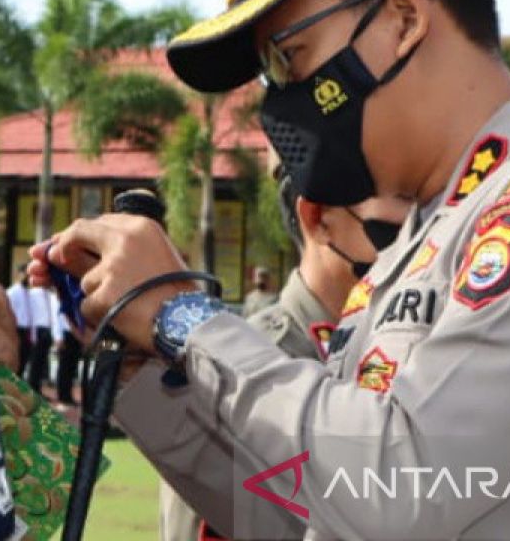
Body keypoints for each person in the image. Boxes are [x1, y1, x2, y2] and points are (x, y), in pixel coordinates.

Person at [30, 0, 510, 539]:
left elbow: (401, 486)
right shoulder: (420, 242)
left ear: (405, 18)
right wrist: (142, 370)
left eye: (291, 60)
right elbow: (306, 509)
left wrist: (185, 315)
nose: (280, 102)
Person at [159, 163, 410, 541]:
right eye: (401, 203)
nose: (415, 233)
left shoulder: (409, 350)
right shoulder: (234, 370)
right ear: (318, 217)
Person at [6, 266, 33, 376]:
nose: (28, 277)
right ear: (19, 275)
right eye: (26, 274)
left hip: (27, 330)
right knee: (16, 361)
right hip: (17, 329)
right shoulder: (12, 292)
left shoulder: (29, 293)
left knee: (24, 361)